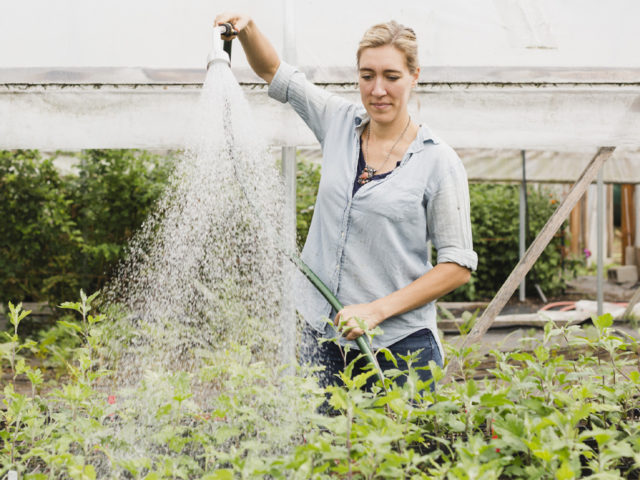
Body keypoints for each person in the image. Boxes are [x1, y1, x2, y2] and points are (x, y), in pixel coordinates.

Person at [214, 13, 478, 392]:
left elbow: (457, 266)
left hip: (398, 348)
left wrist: (376, 310)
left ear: (414, 75)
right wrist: (247, 30)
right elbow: (274, 71)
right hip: (324, 338)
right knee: (325, 449)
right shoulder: (339, 122)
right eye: (367, 75)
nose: (377, 90)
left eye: (391, 76)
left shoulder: (438, 162)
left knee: (400, 449)